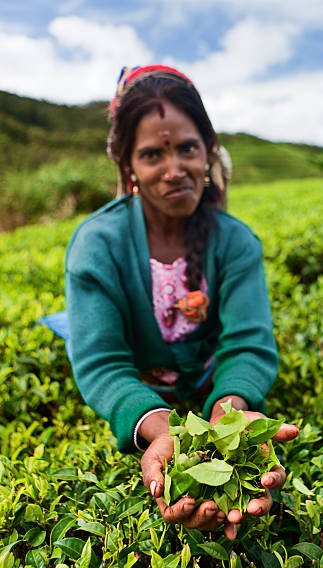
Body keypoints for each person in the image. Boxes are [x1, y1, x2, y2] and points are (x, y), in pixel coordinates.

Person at [65, 64, 299, 541]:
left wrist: (231, 415)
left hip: (206, 374)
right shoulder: (97, 244)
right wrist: (158, 427)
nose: (175, 171)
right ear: (128, 165)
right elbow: (104, 363)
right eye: (153, 154)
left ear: (209, 150)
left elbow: (248, 345)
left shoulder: (235, 243)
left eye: (188, 148)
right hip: (146, 375)